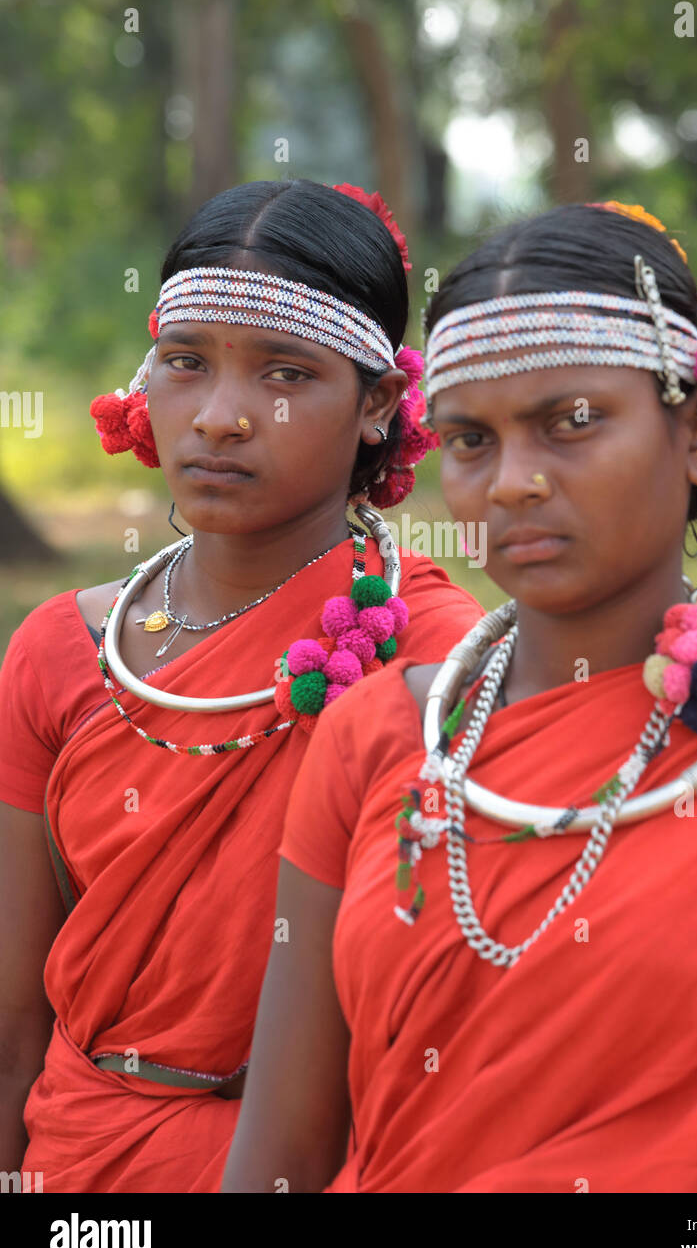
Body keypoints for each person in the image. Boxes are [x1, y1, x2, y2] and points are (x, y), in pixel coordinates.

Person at [222, 200, 697, 1193]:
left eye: (569, 421)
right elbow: (280, 1158)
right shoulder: (378, 735)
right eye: (471, 441)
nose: (511, 482)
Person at [0, 177, 484, 1193]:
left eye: (283, 373)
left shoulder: (440, 663)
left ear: (379, 406)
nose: (219, 417)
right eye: (185, 364)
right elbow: (10, 1018)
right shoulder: (61, 649)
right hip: (72, 1161)